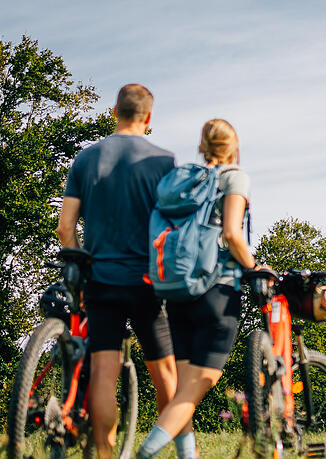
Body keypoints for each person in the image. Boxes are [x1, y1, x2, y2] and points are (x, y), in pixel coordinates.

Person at [56, 84, 178, 459]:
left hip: (100, 281)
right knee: (167, 378)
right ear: (149, 116)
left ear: (114, 111)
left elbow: (65, 227)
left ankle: (105, 455)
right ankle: (175, 449)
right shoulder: (163, 162)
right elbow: (173, 230)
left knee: (103, 378)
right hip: (146, 282)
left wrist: (78, 264)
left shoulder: (87, 159)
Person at [137, 119, 256, 458]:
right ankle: (142, 455)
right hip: (217, 291)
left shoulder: (185, 182)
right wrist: (254, 267)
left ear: (203, 146)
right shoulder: (234, 177)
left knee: (182, 393)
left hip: (177, 292)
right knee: (192, 392)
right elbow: (232, 233)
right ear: (232, 145)